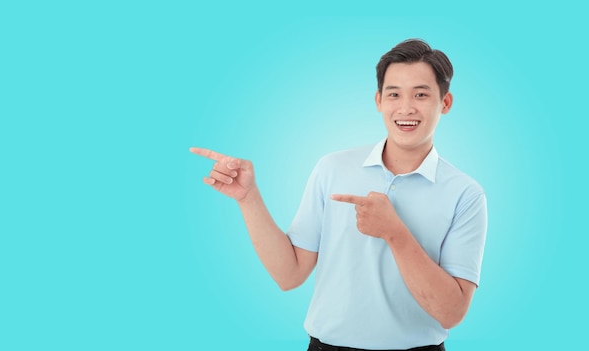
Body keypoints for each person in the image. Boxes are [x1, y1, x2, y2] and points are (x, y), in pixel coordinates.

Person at [190, 38, 487, 351]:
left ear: (445, 103)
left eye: (421, 94)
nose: (406, 108)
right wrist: (248, 197)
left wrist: (394, 232)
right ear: (378, 101)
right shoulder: (332, 167)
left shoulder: (465, 193)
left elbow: (451, 312)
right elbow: (289, 275)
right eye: (394, 94)